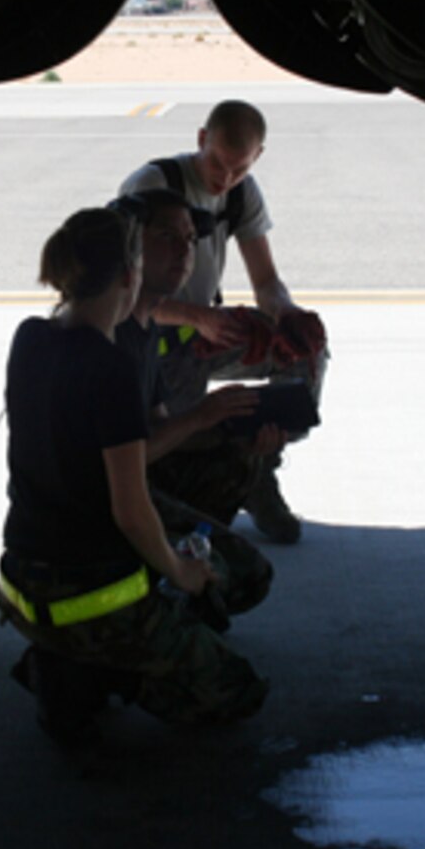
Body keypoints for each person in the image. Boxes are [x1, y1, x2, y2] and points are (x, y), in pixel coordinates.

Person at [0, 206, 268, 743]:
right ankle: (85, 675)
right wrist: (180, 572)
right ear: (129, 275)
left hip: (21, 583)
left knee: (205, 588)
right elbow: (130, 509)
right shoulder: (110, 366)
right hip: (91, 597)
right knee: (238, 692)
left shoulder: (29, 339)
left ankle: (69, 660)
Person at [118, 99, 327, 543]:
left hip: (206, 334)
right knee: (174, 448)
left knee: (303, 350)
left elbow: (267, 281)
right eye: (217, 163)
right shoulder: (155, 185)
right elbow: (118, 291)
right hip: (155, 346)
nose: (225, 178)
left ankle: (262, 465)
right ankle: (227, 479)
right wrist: (196, 316)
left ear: (257, 158)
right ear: (200, 140)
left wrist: (287, 314)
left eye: (239, 168)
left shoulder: (242, 192)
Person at [113, 188, 283, 599]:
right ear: (133, 244)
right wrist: (201, 416)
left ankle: (176, 580)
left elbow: (158, 430)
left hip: (136, 479)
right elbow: (127, 459)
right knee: (245, 578)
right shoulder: (111, 339)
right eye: (168, 237)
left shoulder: (143, 329)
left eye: (190, 240)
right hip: (108, 503)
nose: (184, 252)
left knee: (236, 456)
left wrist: (237, 432)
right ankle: (161, 588)